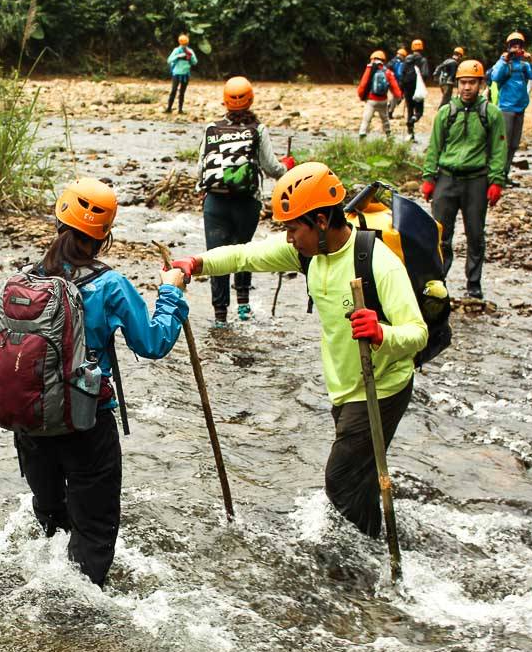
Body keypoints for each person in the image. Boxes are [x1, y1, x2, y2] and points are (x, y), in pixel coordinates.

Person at [170, 163, 427, 539]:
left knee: (339, 484)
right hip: (345, 386)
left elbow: (416, 333)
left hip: (381, 389)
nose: (289, 238)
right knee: (358, 483)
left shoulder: (377, 262)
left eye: (293, 228)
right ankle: (376, 548)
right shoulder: (308, 253)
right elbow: (246, 256)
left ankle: (355, 571)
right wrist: (198, 263)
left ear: (321, 221)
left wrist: (381, 333)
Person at [11, 179, 189, 586]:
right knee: (94, 532)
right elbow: (153, 342)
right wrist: (170, 294)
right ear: (104, 236)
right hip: (87, 424)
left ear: (57, 221)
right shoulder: (111, 285)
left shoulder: (21, 282)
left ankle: (45, 607)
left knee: (52, 519)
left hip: (31, 422)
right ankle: (76, 625)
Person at [196, 77, 295, 326]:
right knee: (244, 252)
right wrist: (288, 166)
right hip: (246, 203)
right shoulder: (258, 130)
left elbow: (201, 168)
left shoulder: (211, 128)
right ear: (250, 99)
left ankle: (220, 317)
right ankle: (243, 307)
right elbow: (271, 168)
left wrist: (203, 192)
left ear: (225, 101)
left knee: (215, 257)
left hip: (215, 203)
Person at [421, 59, 509, 301]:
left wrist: (497, 182)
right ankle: (438, 281)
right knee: (440, 235)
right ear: (457, 84)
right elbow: (434, 147)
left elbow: (499, 150)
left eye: (472, 82)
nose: (467, 87)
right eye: (463, 82)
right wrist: (428, 178)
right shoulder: (446, 113)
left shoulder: (491, 114)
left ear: (481, 84)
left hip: (476, 181)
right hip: (446, 179)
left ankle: (473, 284)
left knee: (476, 235)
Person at [489, 32, 532, 186]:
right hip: (506, 108)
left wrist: (531, 60)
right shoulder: (504, 62)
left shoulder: (525, 65)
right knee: (503, 144)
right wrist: (505, 59)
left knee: (513, 144)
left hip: (520, 108)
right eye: (513, 45)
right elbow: (495, 77)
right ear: (509, 47)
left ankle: (505, 174)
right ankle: (497, 176)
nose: (516, 47)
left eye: (519, 45)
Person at [358, 50, 403, 140]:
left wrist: (361, 96)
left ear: (372, 59)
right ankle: (389, 136)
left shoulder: (369, 69)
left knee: (366, 119)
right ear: (383, 60)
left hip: (371, 100)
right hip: (383, 100)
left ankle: (362, 135)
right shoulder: (387, 71)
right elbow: (395, 87)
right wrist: (399, 96)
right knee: (385, 119)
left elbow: (363, 84)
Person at [400, 39, 431, 141]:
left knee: (409, 110)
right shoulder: (423, 60)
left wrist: (402, 89)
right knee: (419, 111)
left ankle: (410, 134)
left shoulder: (406, 60)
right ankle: (413, 119)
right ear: (421, 47)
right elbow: (425, 74)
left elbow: (402, 73)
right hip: (418, 89)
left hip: (407, 89)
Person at [165, 34, 197, 114]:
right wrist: (178, 56)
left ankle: (180, 109)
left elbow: (195, 62)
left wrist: (190, 57)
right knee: (174, 90)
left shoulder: (190, 51)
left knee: (182, 92)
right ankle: (169, 108)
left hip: (185, 74)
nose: (184, 45)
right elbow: (169, 60)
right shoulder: (176, 50)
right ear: (180, 43)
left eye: (185, 44)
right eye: (183, 44)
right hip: (176, 73)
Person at [387, 48, 407, 119]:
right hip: (398, 83)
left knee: (395, 97)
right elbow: (400, 74)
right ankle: (390, 111)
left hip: (391, 82)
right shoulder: (401, 63)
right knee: (397, 98)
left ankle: (389, 107)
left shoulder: (392, 61)